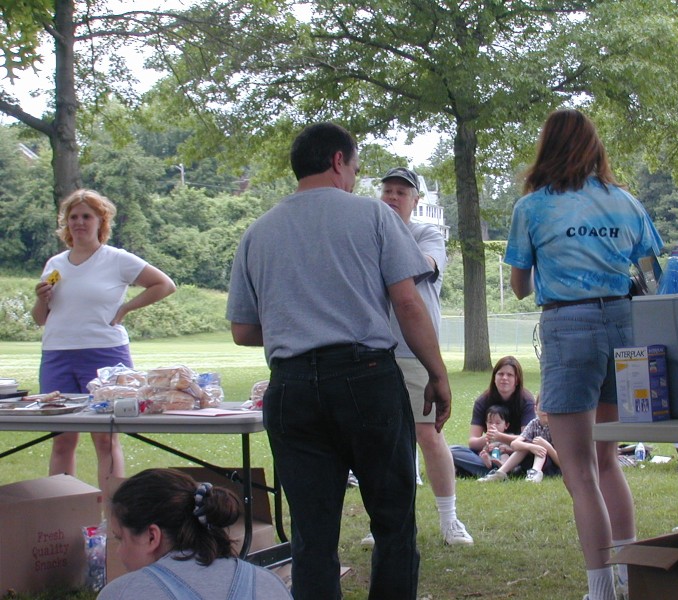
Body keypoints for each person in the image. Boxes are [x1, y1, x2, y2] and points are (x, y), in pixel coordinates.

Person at [226, 123, 451, 600]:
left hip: (290, 389)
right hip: (365, 378)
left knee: (311, 534)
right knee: (392, 521)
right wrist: (437, 372)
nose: (354, 177)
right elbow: (408, 304)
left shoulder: (258, 232)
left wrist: (298, 326)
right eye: (353, 166)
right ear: (336, 161)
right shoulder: (374, 216)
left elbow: (243, 330)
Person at [504, 109, 664, 600]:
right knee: (608, 459)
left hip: (568, 325)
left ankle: (600, 589)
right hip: (624, 324)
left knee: (578, 469)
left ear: (546, 149)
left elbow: (518, 286)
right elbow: (654, 272)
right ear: (596, 148)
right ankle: (629, 575)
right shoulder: (626, 201)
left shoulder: (532, 208)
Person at [32, 189, 176, 498]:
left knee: (105, 437)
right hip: (57, 354)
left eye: (87, 216)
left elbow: (164, 284)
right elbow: (41, 319)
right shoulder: (55, 264)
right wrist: (40, 300)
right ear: (65, 223)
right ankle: (62, 512)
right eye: (73, 217)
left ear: (101, 221)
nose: (79, 223)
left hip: (105, 354)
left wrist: (125, 309)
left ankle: (113, 516)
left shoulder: (116, 259)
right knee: (62, 438)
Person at [360, 167, 472, 548]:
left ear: (416, 201)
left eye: (401, 193)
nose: (392, 197)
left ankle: (449, 519)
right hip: (374, 349)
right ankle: (388, 523)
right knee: (384, 441)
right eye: (387, 191)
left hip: (415, 352)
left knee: (428, 433)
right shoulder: (367, 237)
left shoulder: (426, 234)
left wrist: (385, 242)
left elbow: (426, 266)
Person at [97, 468, 292, 600]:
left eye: (120, 539)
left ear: (152, 537)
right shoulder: (268, 583)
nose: (118, 552)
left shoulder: (122, 593)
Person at [450, 356, 537, 478]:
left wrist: (500, 437)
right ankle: (501, 470)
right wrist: (488, 439)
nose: (504, 378)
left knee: (528, 454)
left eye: (510, 375)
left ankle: (491, 469)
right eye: (500, 374)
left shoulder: (526, 401)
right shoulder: (483, 401)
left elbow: (527, 439)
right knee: (451, 451)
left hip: (516, 453)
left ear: (517, 380)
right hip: (489, 452)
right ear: (494, 378)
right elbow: (472, 442)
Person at [479, 393, 560, 483]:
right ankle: (500, 473)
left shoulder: (558, 427)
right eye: (543, 405)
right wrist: (530, 447)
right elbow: (514, 444)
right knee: (525, 444)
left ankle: (535, 472)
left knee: (539, 446)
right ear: (535, 409)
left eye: (550, 406)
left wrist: (547, 446)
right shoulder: (534, 424)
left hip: (551, 466)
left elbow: (562, 464)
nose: (546, 410)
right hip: (530, 462)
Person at [478, 404, 515, 470]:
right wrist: (487, 449)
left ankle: (502, 464)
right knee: (484, 454)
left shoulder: (509, 436)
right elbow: (485, 447)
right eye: (490, 422)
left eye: (498, 423)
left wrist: (507, 450)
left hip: (503, 456)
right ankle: (488, 463)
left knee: (504, 456)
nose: (493, 425)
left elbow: (515, 448)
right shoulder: (487, 437)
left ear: (506, 425)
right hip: (491, 455)